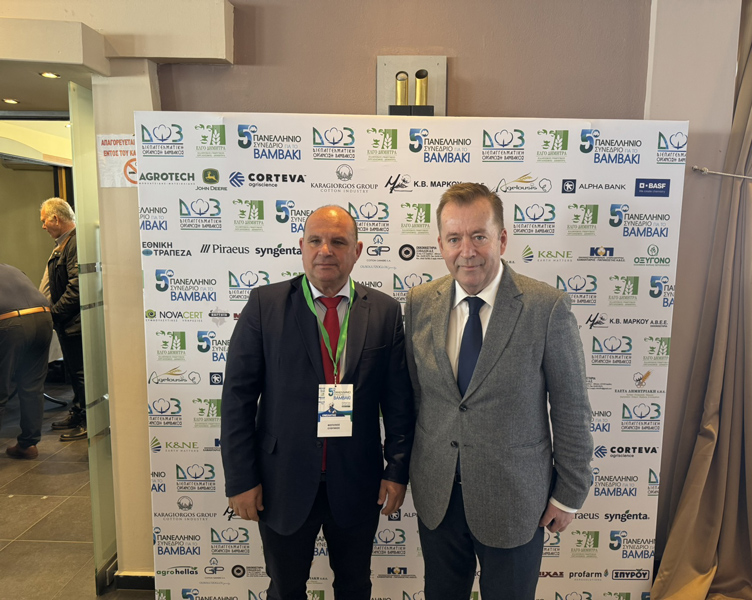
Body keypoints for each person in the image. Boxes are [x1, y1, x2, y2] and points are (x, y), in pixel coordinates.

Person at [404, 183, 593, 600]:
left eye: (479, 236)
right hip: (438, 496)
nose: (466, 251)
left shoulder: (546, 308)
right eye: (454, 238)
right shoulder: (419, 302)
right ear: (441, 244)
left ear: (502, 239)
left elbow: (572, 408)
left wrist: (569, 494)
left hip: (515, 499)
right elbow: (418, 397)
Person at [221, 205, 415, 600]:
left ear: (356, 251)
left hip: (357, 481)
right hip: (281, 481)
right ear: (302, 246)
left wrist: (396, 471)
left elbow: (399, 403)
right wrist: (241, 479)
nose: (325, 250)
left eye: (338, 242)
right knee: (285, 588)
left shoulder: (384, 311)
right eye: (315, 240)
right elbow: (237, 399)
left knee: (355, 586)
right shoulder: (265, 305)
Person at [39, 198, 86, 441]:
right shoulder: (65, 243)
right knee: (74, 373)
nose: (43, 226)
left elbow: (77, 289)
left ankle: (88, 420)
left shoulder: (74, 242)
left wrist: (54, 314)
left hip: (75, 323)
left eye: (44, 221)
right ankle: (78, 412)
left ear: (56, 219)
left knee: (81, 374)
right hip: (69, 323)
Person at [0, 264, 53, 459]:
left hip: (11, 322)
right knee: (32, 387)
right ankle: (28, 445)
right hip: (43, 317)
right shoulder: (9, 268)